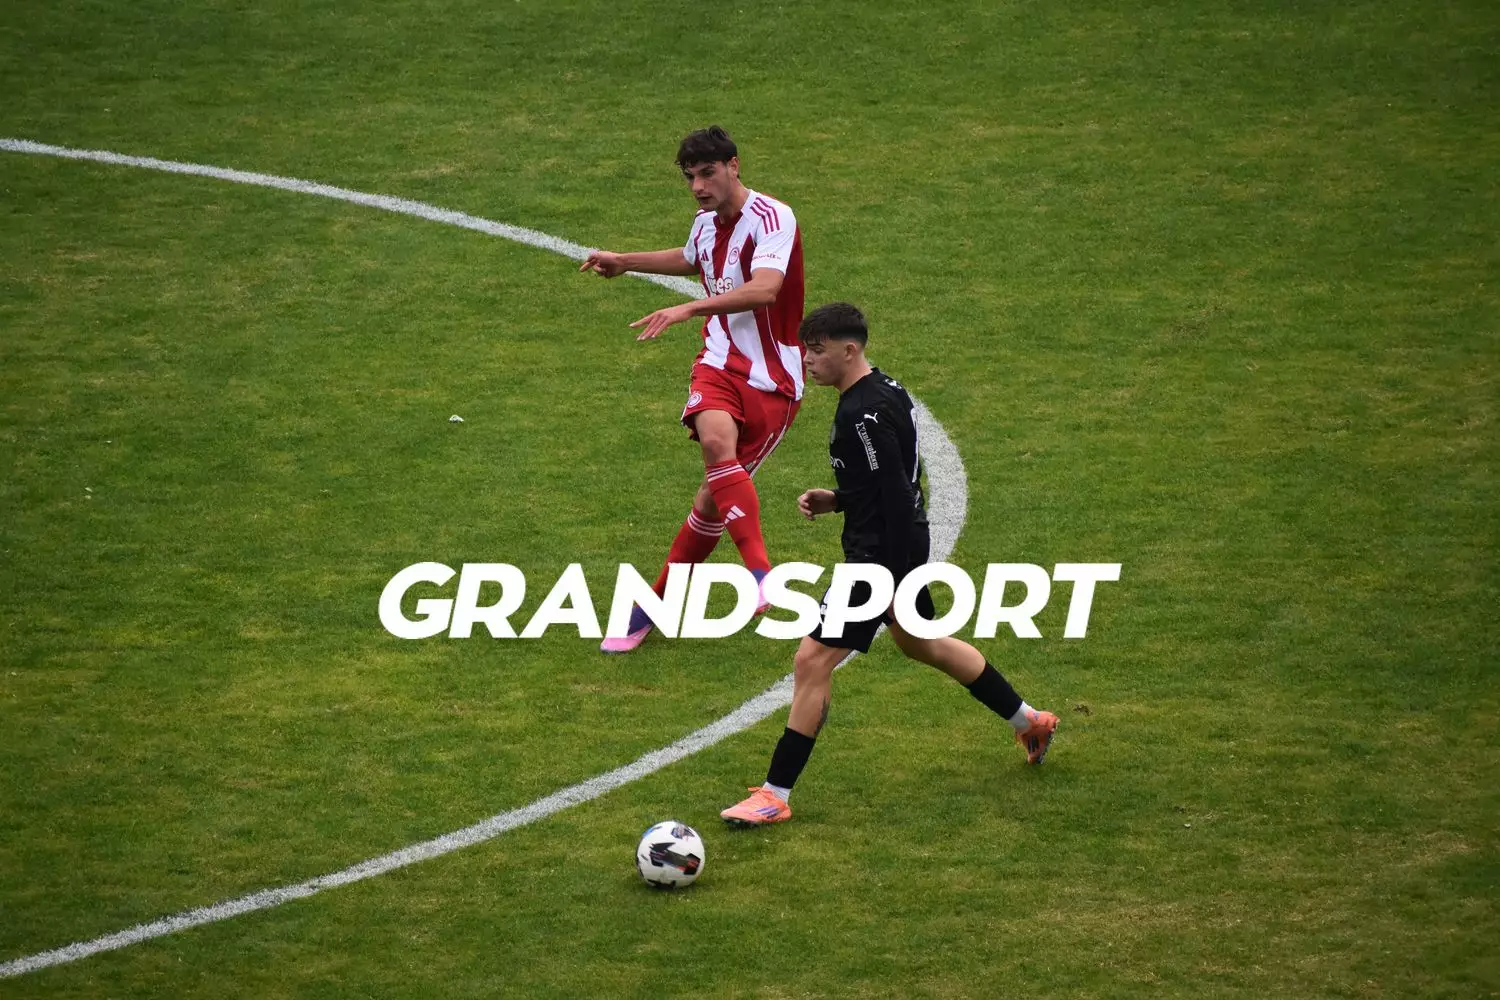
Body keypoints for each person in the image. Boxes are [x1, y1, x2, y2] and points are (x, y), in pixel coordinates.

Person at [720, 302, 1060, 826]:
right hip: (899, 543)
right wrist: (840, 498)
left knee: (812, 661)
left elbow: (898, 493)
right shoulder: (887, 390)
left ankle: (774, 794)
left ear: (848, 350)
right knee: (921, 642)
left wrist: (895, 574)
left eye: (817, 351)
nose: (808, 360)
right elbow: (895, 475)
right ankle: (1029, 720)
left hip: (881, 554)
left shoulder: (862, 411)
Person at [580, 125, 806, 654]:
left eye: (707, 173)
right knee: (715, 445)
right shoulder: (705, 223)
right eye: (690, 178)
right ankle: (761, 577)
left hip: (773, 376)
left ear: (734, 165)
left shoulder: (774, 217)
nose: (699, 187)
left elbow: (766, 289)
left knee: (711, 498)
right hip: (718, 363)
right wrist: (625, 261)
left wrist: (689, 307)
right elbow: (690, 259)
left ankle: (651, 605)